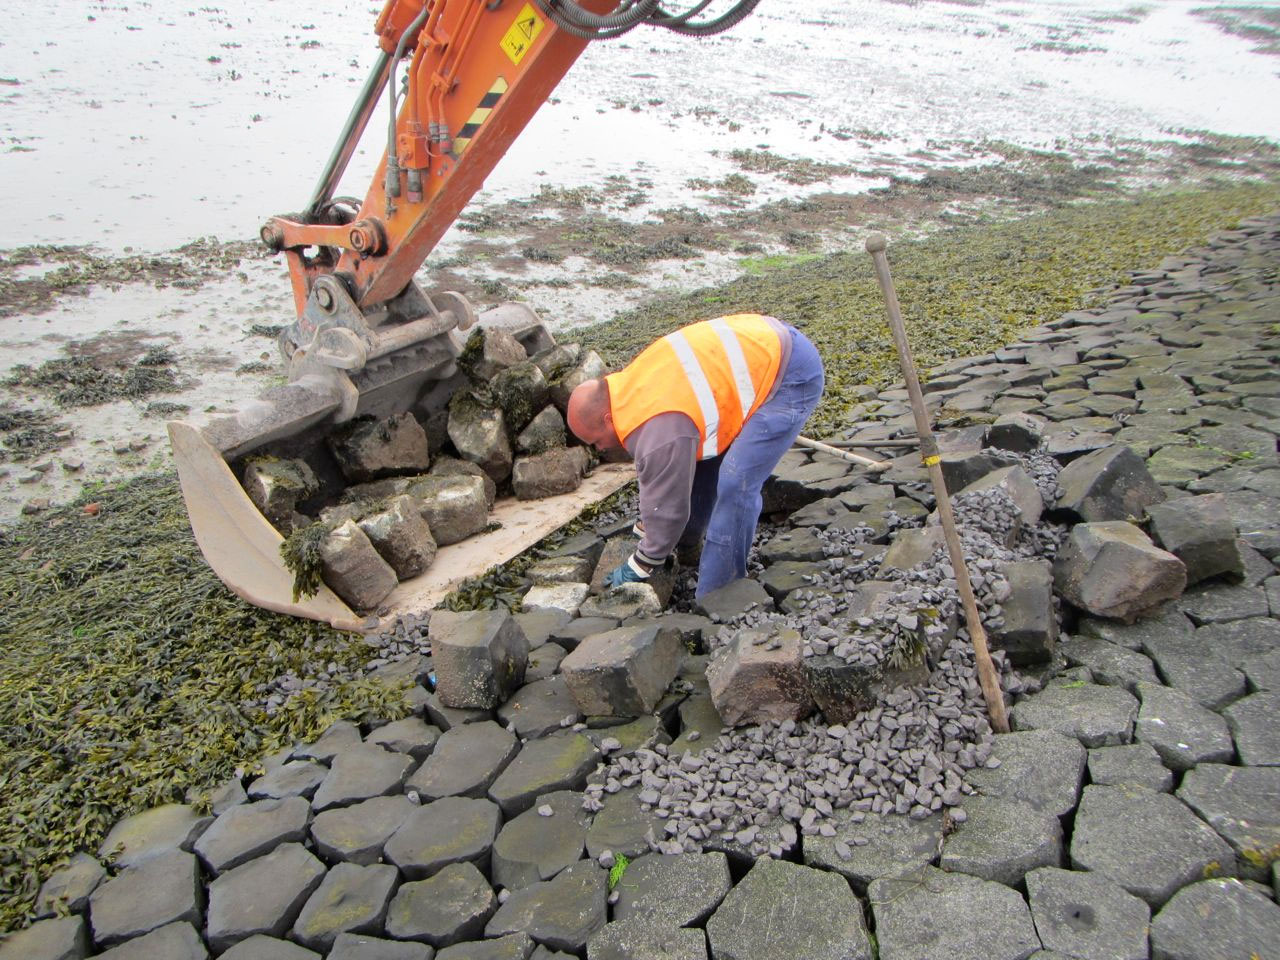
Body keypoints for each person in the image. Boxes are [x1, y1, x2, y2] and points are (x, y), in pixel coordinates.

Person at [566, 313, 824, 599]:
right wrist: (650, 527)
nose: (600, 449)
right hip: (761, 344)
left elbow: (667, 503)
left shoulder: (659, 429)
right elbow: (667, 479)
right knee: (702, 460)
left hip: (790, 372)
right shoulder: (628, 391)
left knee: (735, 483)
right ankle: (689, 547)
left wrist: (642, 563)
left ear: (606, 419)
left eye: (596, 441)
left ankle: (720, 594)